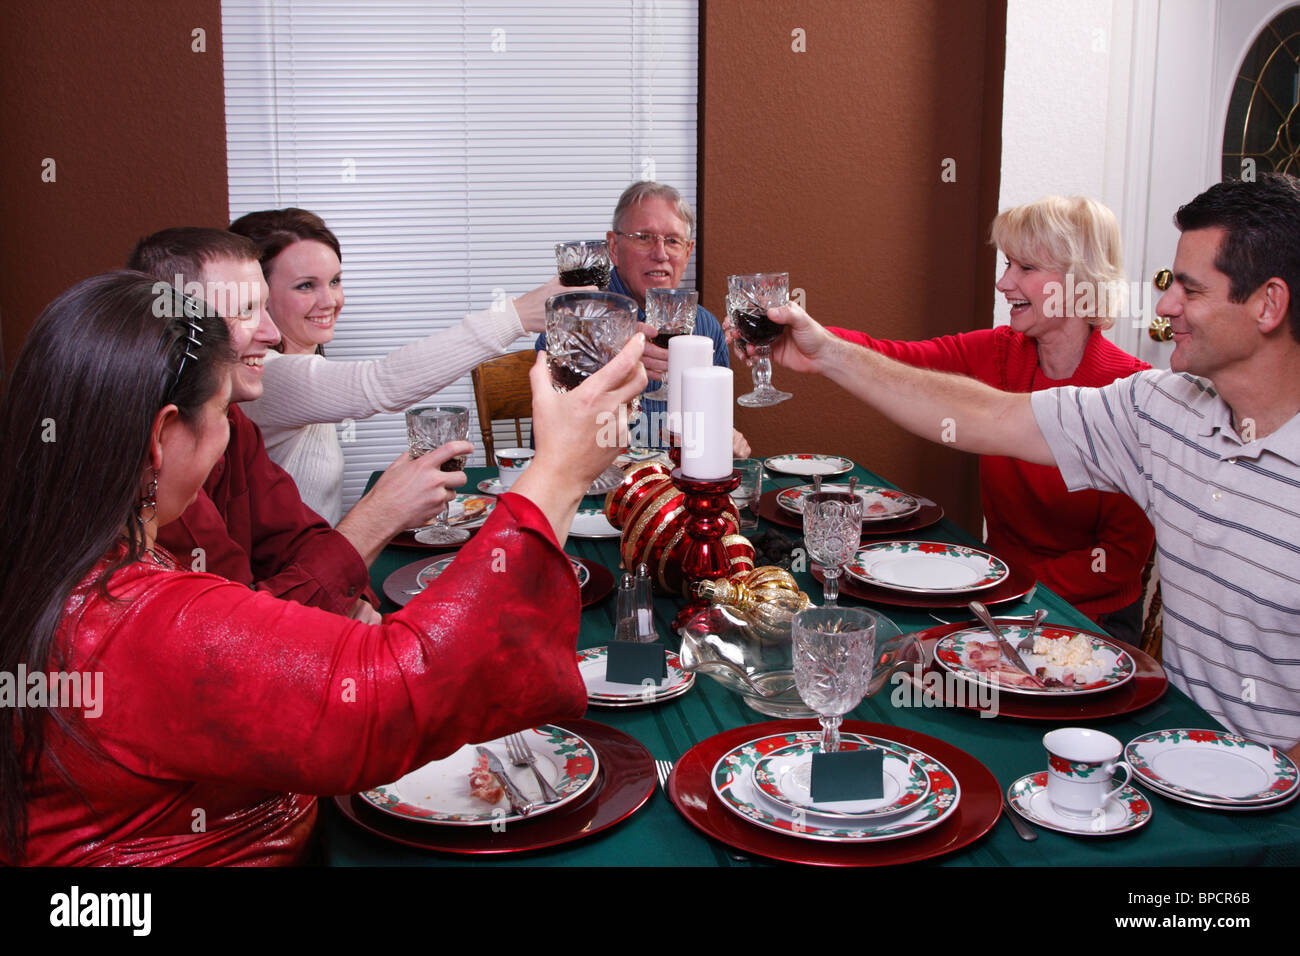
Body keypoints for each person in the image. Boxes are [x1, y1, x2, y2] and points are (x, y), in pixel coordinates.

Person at [0, 271, 647, 865]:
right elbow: (396, 693)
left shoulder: (66, 561)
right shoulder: (131, 620)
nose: (233, 433)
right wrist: (557, 472)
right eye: (225, 412)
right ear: (161, 437)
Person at [756, 174, 1300, 758]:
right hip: (1173, 748)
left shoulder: (1140, 387)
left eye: (1189, 291)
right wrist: (827, 351)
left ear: (1268, 304)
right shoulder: (1163, 407)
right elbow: (989, 414)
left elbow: (1115, 563)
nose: (1164, 306)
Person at [823, 197, 1153, 639]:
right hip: (997, 595)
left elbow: (1118, 559)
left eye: (1025, 268)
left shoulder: (1131, 389)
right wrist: (812, 340)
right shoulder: (998, 352)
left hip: (1088, 618)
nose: (1003, 282)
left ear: (1080, 282)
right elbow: (896, 361)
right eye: (1007, 264)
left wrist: (990, 582)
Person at [128, 228, 450, 623]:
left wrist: (348, 596)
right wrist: (378, 516)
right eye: (245, 311)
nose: (272, 333)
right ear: (180, 325)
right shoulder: (158, 471)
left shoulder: (234, 421)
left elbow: (296, 539)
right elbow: (237, 631)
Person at [228, 208, 569, 525]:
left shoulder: (299, 365)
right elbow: (380, 384)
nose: (330, 301)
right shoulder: (264, 376)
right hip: (287, 586)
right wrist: (517, 316)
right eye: (306, 286)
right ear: (259, 295)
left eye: (334, 281)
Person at [535, 181, 750, 456]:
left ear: (687, 252)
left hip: (672, 488)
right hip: (593, 487)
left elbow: (716, 430)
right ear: (613, 247)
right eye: (644, 237)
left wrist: (725, 440)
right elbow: (553, 439)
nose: (660, 254)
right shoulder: (570, 324)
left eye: (672, 241)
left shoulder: (706, 328)